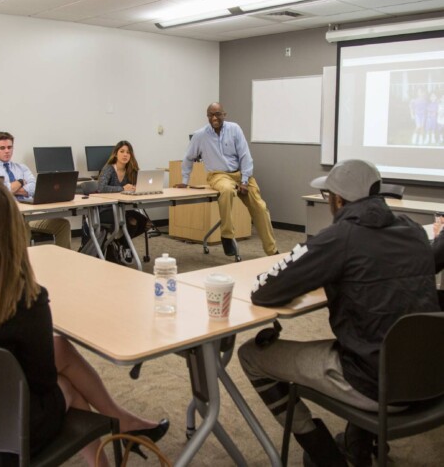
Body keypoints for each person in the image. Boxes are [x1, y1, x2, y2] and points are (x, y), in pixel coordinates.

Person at [0, 179, 169, 466]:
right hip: (7, 440)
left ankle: (121, 424)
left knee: (60, 348)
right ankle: (118, 427)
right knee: (66, 385)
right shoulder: (25, 300)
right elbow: (42, 382)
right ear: (15, 229)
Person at [238, 159, 439, 467]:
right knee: (374, 333)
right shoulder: (413, 231)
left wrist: (315, 261)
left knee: (251, 355)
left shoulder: (339, 238)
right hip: (430, 377)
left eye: (327, 196)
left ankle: (325, 457)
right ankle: (358, 444)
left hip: (374, 384)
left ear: (339, 200)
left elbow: (266, 291)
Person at [176, 102, 277, 256]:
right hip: (218, 175)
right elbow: (188, 158)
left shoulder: (234, 129)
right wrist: (185, 180)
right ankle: (227, 235)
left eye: (217, 114)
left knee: (260, 207)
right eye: (211, 115)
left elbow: (245, 156)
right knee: (227, 190)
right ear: (207, 116)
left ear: (224, 114)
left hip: (240, 173)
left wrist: (244, 180)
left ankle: (272, 250)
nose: (214, 117)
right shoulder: (200, 135)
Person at [0, 132, 72, 249]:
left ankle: (64, 262)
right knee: (22, 225)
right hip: (9, 215)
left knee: (63, 224)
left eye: (9, 147)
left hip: (31, 212)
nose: (7, 151)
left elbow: (34, 187)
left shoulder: (22, 167)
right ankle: (24, 265)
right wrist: (20, 182)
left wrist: (10, 188)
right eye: (2, 148)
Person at [94, 141, 151, 264]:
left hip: (123, 209)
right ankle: (124, 246)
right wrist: (122, 188)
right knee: (132, 222)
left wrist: (137, 187)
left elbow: (137, 186)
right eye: (122, 152)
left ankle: (120, 243)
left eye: (128, 152)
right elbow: (101, 188)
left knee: (146, 223)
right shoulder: (109, 168)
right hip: (106, 209)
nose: (125, 155)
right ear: (115, 154)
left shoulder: (131, 170)